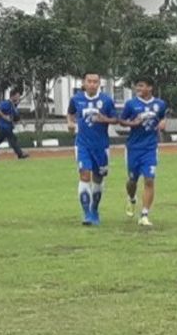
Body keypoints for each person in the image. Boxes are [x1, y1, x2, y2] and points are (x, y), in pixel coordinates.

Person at [68, 72, 118, 226]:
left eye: (95, 81)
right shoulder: (76, 99)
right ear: (83, 83)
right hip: (82, 145)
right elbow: (70, 114)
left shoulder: (106, 100)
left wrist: (105, 119)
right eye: (89, 81)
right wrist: (70, 123)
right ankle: (87, 214)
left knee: (98, 179)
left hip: (101, 147)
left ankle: (94, 209)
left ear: (99, 83)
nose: (92, 84)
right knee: (84, 175)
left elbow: (116, 119)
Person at [120, 76, 167, 226]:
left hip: (150, 148)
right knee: (132, 181)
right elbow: (121, 121)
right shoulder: (131, 104)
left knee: (149, 179)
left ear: (150, 88)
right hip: (133, 148)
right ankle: (131, 198)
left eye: (141, 86)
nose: (138, 89)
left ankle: (144, 214)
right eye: (137, 86)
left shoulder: (160, 104)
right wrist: (132, 123)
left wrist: (162, 123)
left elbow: (162, 117)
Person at [0, 88, 28, 160]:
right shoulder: (6, 103)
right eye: (17, 96)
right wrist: (4, 116)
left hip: (7, 126)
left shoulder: (13, 105)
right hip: (4, 126)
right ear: (12, 96)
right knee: (12, 139)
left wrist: (22, 122)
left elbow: (16, 116)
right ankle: (20, 154)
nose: (18, 98)